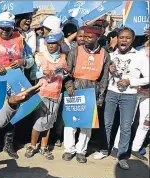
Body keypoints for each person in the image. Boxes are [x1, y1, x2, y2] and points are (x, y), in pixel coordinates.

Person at [93, 28, 149, 169]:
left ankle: (122, 156)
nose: (124, 40)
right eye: (121, 37)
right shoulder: (110, 55)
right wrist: (109, 71)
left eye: (128, 38)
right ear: (116, 39)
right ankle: (104, 150)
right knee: (106, 124)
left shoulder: (139, 56)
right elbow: (102, 76)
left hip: (129, 95)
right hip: (111, 93)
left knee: (125, 127)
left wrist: (131, 82)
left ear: (133, 39)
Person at [0, 11, 35, 159]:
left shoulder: (20, 39)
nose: (5, 32)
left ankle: (9, 145)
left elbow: (31, 59)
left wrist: (23, 62)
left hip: (15, 80)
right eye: (2, 28)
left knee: (13, 112)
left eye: (8, 29)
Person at [63, 26, 111, 163]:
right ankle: (69, 150)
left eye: (89, 37)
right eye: (83, 37)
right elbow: (67, 72)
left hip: (92, 93)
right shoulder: (75, 51)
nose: (85, 40)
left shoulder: (104, 54)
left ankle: (81, 151)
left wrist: (100, 97)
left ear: (98, 38)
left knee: (86, 125)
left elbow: (104, 78)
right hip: (75, 91)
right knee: (71, 122)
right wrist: (69, 85)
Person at [25, 30, 68, 160]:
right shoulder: (39, 56)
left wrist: (62, 73)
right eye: (48, 43)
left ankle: (44, 147)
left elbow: (65, 75)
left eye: (54, 43)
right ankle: (32, 146)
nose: (51, 46)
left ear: (59, 43)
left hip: (56, 94)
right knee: (39, 122)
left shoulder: (63, 57)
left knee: (49, 122)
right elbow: (33, 75)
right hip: (42, 93)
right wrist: (43, 73)